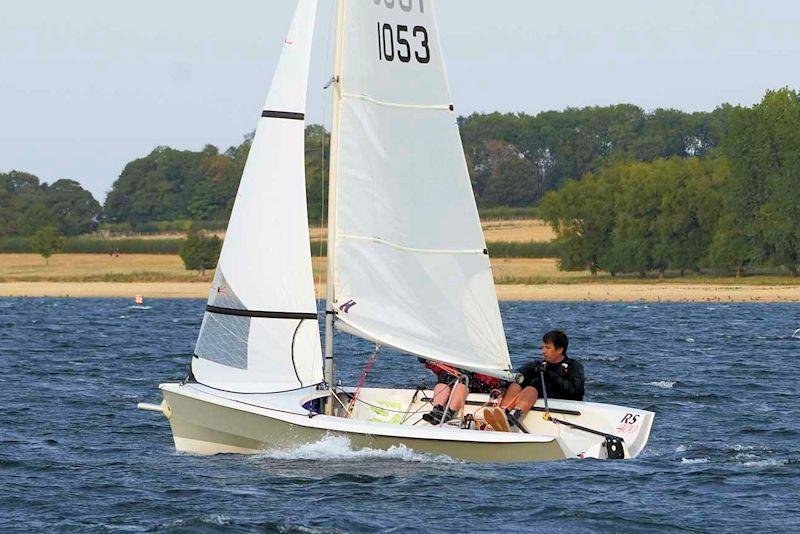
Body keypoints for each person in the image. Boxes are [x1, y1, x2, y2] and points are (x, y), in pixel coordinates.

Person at [485, 330, 585, 432]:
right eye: (543, 347)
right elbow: (518, 374)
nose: (543, 351)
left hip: (563, 401)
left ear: (559, 349)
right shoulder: (539, 365)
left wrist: (551, 374)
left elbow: (576, 390)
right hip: (540, 396)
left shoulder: (573, 366)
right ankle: (503, 413)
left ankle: (513, 418)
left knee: (536, 384)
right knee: (519, 382)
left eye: (547, 348)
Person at [419, 359, 504, 425]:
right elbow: (438, 366)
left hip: (478, 382)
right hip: (456, 376)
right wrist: (427, 358)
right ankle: (437, 409)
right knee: (446, 375)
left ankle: (449, 413)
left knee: (463, 379)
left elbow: (499, 380)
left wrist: (498, 390)